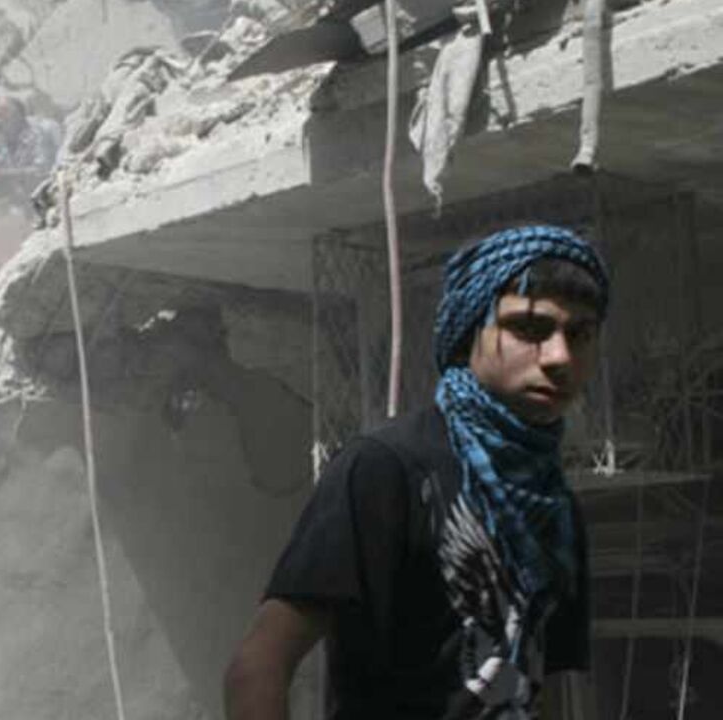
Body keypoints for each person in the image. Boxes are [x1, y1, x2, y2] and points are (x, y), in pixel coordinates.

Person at [225, 225, 609, 719]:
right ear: (469, 332)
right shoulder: (387, 468)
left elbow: (547, 685)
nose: (560, 357)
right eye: (528, 329)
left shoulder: (551, 503)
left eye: (580, 334)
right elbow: (258, 667)